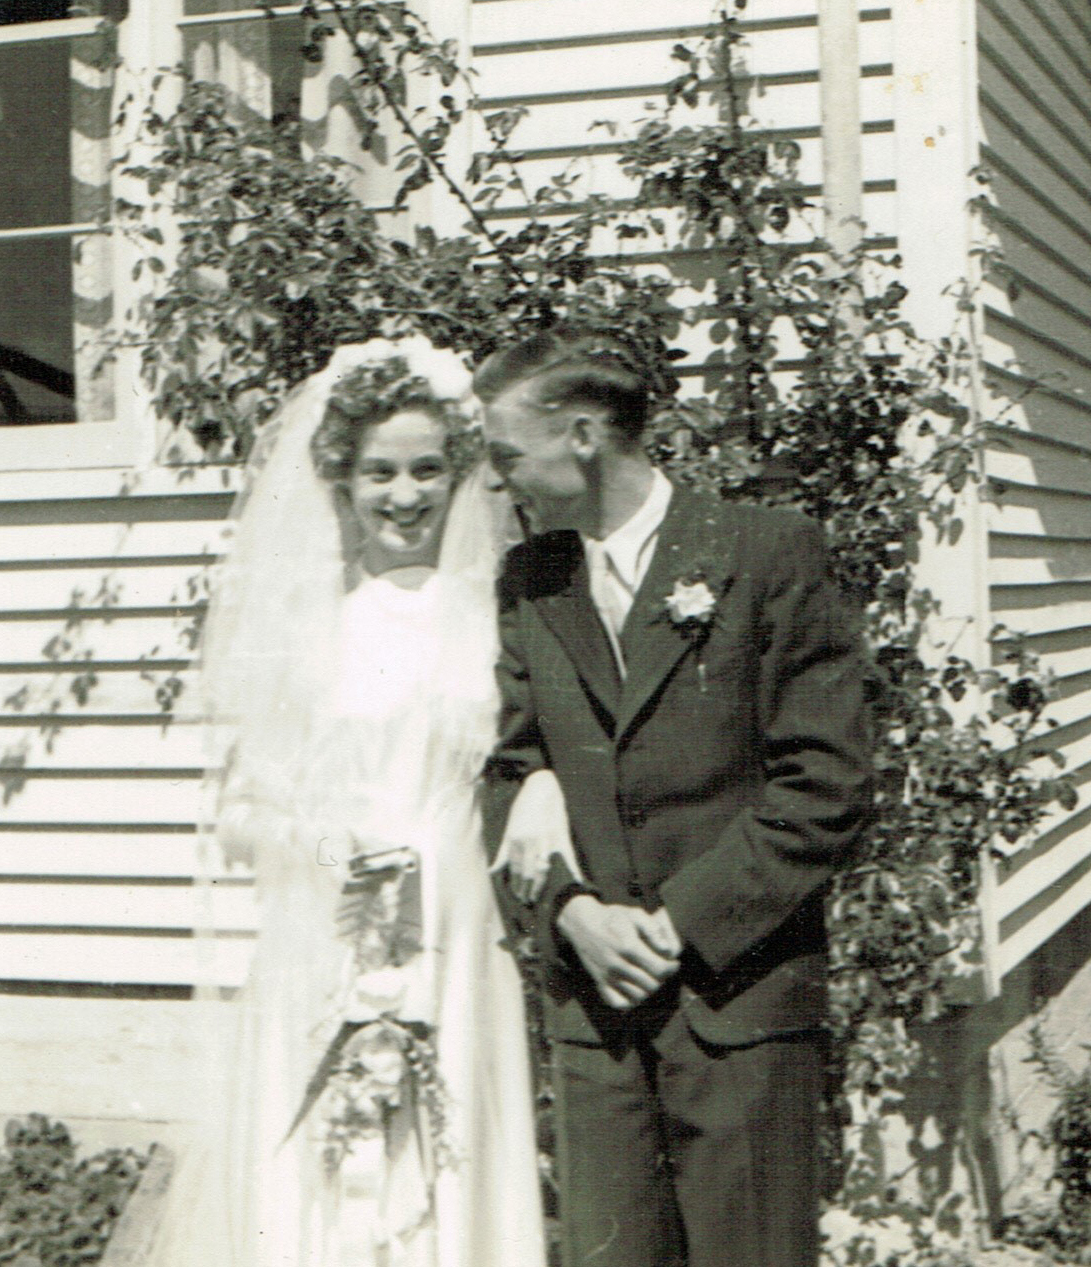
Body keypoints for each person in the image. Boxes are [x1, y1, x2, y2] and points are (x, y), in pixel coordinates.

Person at [157, 338, 569, 1267]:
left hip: (462, 931)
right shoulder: (311, 629)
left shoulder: (499, 619)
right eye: (379, 472)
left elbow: (533, 755)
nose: (406, 494)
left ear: (461, 475)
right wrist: (334, 852)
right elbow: (242, 813)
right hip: (337, 924)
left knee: (456, 1151)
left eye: (428, 468)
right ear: (340, 483)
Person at [478, 329, 875, 1267]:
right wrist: (570, 916)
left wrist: (676, 923)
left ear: (581, 435)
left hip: (736, 1005)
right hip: (597, 1019)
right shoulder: (531, 582)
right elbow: (503, 773)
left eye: (506, 457)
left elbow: (827, 782)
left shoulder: (765, 552)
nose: (499, 484)